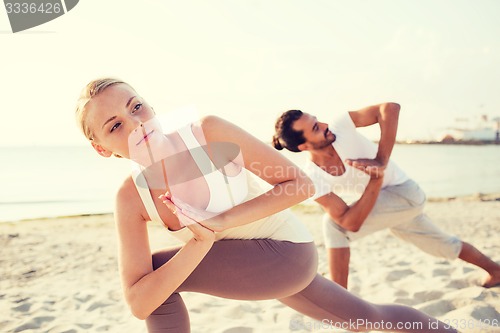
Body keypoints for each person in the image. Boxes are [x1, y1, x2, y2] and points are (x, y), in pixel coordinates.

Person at [76, 78, 459, 333]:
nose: (136, 124)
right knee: (367, 319)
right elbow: (139, 303)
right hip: (247, 262)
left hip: (285, 252)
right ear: (100, 149)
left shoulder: (207, 132)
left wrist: (217, 226)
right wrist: (200, 241)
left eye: (136, 107)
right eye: (115, 126)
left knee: (159, 275)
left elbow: (298, 184)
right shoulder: (130, 197)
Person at [272, 104, 500, 289]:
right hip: (387, 204)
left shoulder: (341, 126)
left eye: (317, 120)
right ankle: (496, 271)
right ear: (303, 146)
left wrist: (381, 162)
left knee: (332, 228)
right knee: (445, 245)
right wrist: (376, 180)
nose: (323, 125)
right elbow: (351, 222)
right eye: (315, 129)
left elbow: (390, 109)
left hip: (404, 194)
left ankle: (340, 302)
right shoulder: (313, 177)